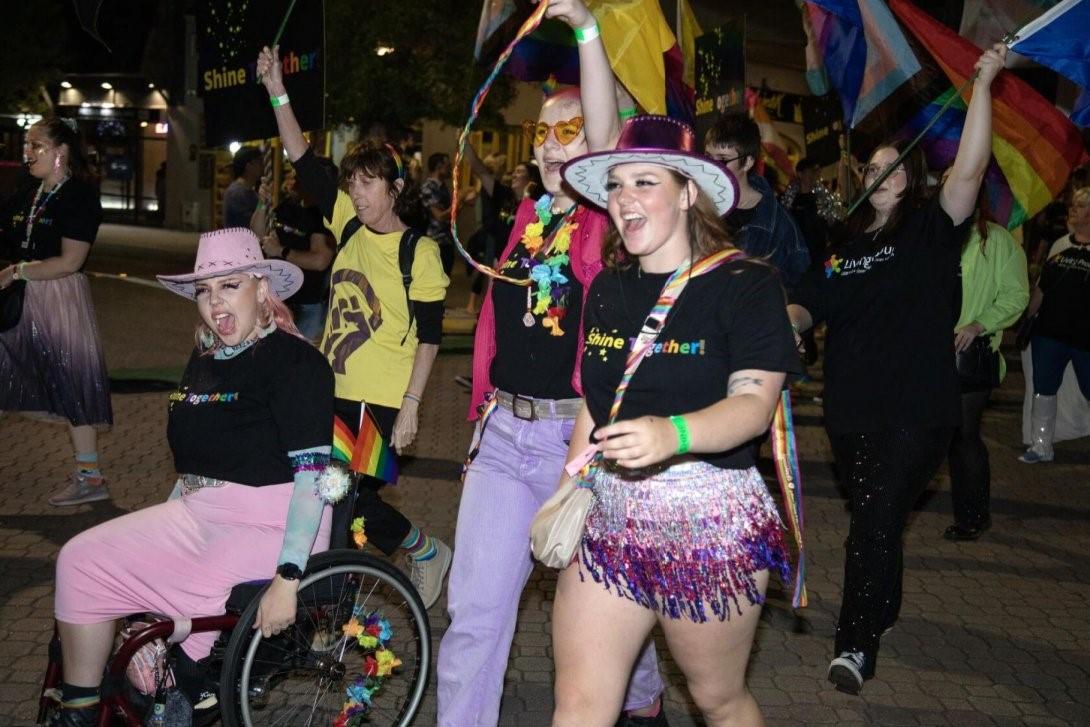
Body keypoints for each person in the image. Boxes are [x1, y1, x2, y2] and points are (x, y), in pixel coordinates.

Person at [438, 1, 667, 724]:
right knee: (473, 615)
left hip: (580, 449)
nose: (550, 145)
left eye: (567, 132)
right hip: (505, 438)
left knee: (606, 615)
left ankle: (643, 691)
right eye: (542, 133)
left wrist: (586, 30)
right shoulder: (527, 222)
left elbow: (603, 141)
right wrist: (480, 414)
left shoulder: (609, 222)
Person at [553, 114, 802, 726]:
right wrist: (566, 487)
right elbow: (597, 401)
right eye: (616, 185)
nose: (624, 199)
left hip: (710, 528)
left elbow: (752, 407)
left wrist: (673, 434)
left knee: (717, 699)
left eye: (645, 182)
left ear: (689, 193)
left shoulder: (745, 284)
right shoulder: (607, 287)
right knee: (580, 703)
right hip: (611, 521)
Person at [787, 44, 1007, 694]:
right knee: (875, 521)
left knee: (875, 518)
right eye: (872, 168)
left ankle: (854, 644)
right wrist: (784, 325)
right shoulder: (843, 249)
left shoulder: (933, 233)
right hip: (851, 414)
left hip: (918, 410)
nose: (882, 175)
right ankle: (883, 605)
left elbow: (968, 170)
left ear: (910, 180)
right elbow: (805, 304)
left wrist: (984, 84)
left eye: (894, 167)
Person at [49, 227, 334, 725]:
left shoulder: (296, 362)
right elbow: (193, 465)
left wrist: (289, 576)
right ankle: (81, 711)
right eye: (204, 290)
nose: (212, 302)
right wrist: (164, 518)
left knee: (154, 617)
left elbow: (313, 476)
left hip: (274, 528)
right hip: (199, 516)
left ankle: (184, 680)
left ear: (262, 289)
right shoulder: (204, 359)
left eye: (229, 286)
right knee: (78, 559)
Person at [257, 45, 453, 609]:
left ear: (394, 188)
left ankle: (328, 617)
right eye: (352, 184)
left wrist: (413, 404)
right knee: (324, 494)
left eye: (369, 184)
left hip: (381, 401)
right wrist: (277, 87)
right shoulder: (347, 228)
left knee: (335, 498)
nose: (358, 194)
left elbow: (432, 335)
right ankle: (420, 549)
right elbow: (301, 157)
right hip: (331, 391)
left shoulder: (418, 253)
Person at [0, 117, 112, 507]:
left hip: (59, 299)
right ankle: (89, 477)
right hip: (22, 297)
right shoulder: (28, 191)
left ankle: (90, 477)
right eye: (27, 145)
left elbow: (70, 261)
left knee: (73, 386)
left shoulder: (79, 196)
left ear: (61, 152)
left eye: (36, 146)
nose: (27, 152)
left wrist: (16, 271)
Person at [944, 192, 1028, 539]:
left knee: (964, 436)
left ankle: (973, 516)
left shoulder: (997, 240)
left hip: (970, 356)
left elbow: (1016, 294)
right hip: (929, 353)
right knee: (929, 434)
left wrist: (979, 323)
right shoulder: (932, 234)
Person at [1019, 186, 1090, 463]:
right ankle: (1041, 445)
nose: (1073, 209)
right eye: (1073, 204)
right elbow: (1042, 290)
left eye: (1081, 205)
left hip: (1085, 339)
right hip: (1049, 336)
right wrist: (1027, 317)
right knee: (1043, 388)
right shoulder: (1060, 245)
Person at [704, 110, 809, 287]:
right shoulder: (696, 206)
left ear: (747, 162)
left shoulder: (778, 224)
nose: (712, 167)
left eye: (722, 160)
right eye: (708, 157)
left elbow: (801, 287)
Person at [251, 160, 337, 340]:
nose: (294, 180)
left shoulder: (325, 215)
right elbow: (259, 233)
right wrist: (261, 204)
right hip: (279, 299)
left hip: (307, 305)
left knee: (298, 360)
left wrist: (281, 251)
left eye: (300, 176)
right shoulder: (288, 206)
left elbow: (320, 260)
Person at [463, 145, 543, 315]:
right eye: (514, 171)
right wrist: (466, 143)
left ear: (532, 179)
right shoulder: (504, 195)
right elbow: (482, 172)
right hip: (501, 263)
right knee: (497, 306)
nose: (514, 174)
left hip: (527, 267)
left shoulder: (541, 204)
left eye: (519, 172)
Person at [421, 152, 457, 275]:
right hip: (434, 242)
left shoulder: (442, 187)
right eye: (448, 166)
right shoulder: (428, 188)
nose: (450, 169)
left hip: (446, 241)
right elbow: (440, 216)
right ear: (438, 167)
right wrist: (460, 200)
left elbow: (450, 215)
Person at [222, 146, 262, 228]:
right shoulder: (236, 194)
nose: (262, 166)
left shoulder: (249, 191)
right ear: (249, 166)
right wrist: (262, 202)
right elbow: (254, 225)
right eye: (259, 162)